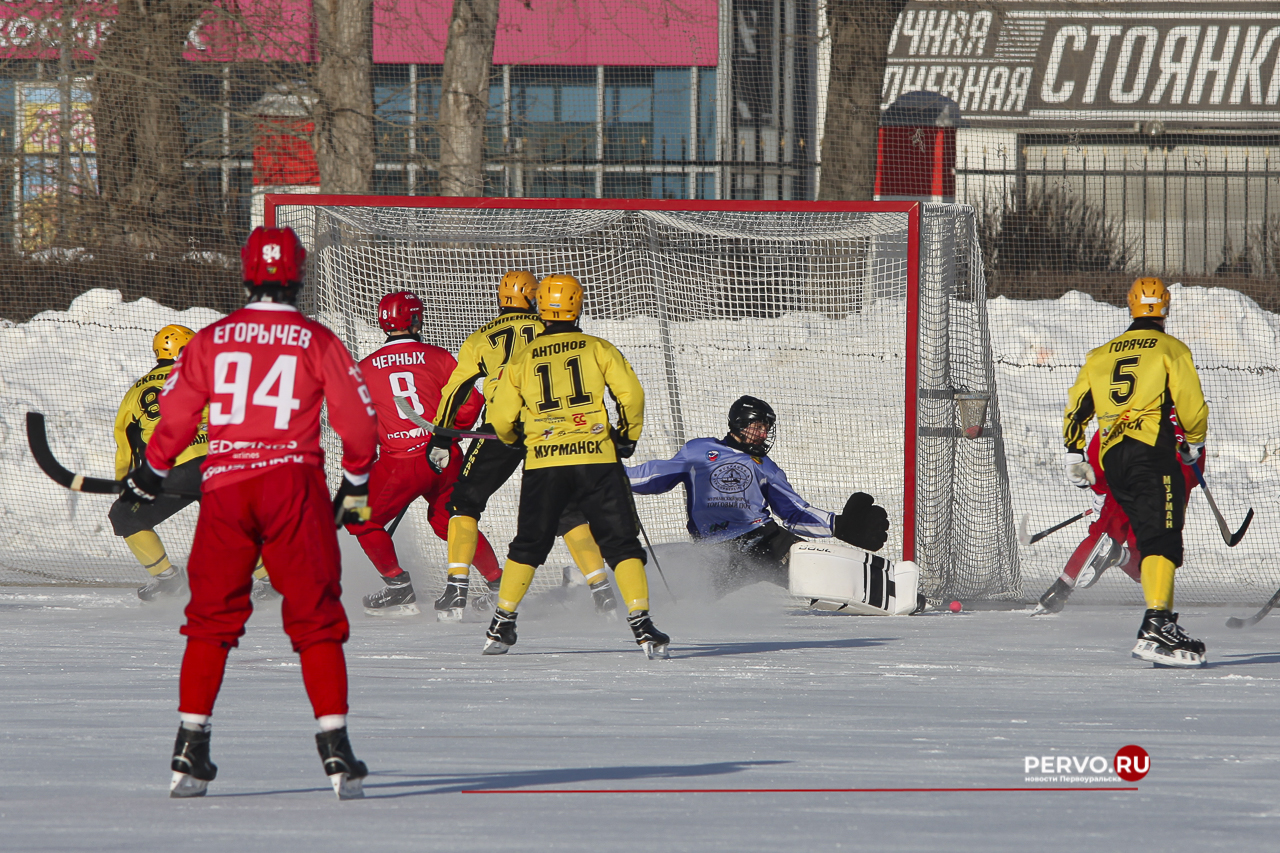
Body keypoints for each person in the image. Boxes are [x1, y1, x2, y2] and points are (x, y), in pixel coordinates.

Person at [121, 226, 380, 798]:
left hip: (227, 489)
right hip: (294, 484)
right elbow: (359, 428)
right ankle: (335, 749)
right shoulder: (317, 340)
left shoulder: (212, 339)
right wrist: (356, 483)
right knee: (315, 617)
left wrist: (150, 474)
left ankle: (190, 749)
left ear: (247, 274)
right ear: (298, 275)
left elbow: (176, 419)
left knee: (210, 621)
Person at [483, 273, 667, 657]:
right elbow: (631, 395)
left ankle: (502, 622)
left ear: (541, 309)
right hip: (596, 460)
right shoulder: (598, 348)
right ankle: (641, 622)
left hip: (544, 463)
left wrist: (516, 439)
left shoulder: (522, 357)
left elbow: (501, 417)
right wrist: (627, 436)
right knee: (620, 543)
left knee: (530, 544)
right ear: (577, 306)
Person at [431, 270, 620, 619]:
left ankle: (456, 590)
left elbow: (455, 389)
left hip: (500, 428)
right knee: (567, 511)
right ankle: (602, 591)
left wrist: (441, 436)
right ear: (536, 298)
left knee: (464, 503)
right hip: (548, 429)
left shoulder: (480, 338)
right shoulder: (553, 333)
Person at [1062, 276, 1208, 667]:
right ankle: (1157, 626)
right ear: (1166, 307)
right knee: (1162, 537)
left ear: (1131, 307)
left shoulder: (1101, 354)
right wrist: (1194, 442)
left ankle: (1159, 620)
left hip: (1114, 459)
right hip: (1151, 454)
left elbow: (1078, 408)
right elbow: (1190, 405)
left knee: (1149, 535)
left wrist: (1075, 453)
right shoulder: (1170, 348)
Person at [626, 395, 890, 596]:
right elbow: (655, 475)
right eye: (759, 426)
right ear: (741, 424)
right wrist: (611, 475)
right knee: (694, 600)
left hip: (765, 539)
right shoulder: (700, 450)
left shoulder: (764, 465)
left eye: (767, 428)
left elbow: (794, 511)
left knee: (821, 573)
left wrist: (838, 524)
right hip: (714, 548)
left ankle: (885, 589)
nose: (764, 434)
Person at [346, 289, 503, 619]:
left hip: (399, 464)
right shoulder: (438, 356)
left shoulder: (365, 368)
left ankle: (398, 588)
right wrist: (448, 432)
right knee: (451, 520)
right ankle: (498, 586)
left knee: (357, 515)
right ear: (415, 319)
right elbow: (471, 403)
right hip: (445, 458)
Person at [111, 325, 277, 603]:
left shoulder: (136, 392)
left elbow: (126, 446)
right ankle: (272, 581)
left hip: (176, 469)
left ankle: (168, 580)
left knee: (124, 515)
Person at [1035, 414, 1203, 614]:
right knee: (1152, 559)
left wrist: (1100, 491)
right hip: (1167, 481)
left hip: (1128, 471)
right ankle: (1120, 555)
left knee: (1102, 536)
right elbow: (1192, 470)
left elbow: (1100, 445)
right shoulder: (1190, 417)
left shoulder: (1134, 406)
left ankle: (1055, 595)